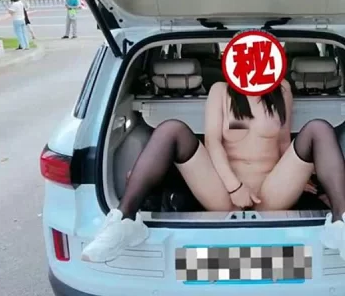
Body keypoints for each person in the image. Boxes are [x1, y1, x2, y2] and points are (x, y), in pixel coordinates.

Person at [81, 77, 345, 263]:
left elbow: (284, 141)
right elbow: (213, 142)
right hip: (223, 191)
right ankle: (123, 221)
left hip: (270, 191)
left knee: (319, 128)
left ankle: (340, 224)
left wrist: (298, 174)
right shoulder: (221, 90)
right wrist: (234, 186)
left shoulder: (282, 88)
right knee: (172, 129)